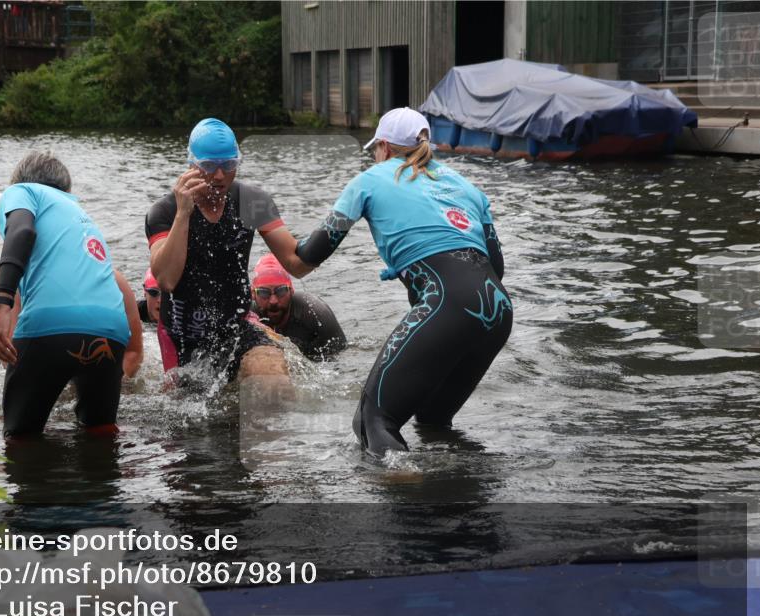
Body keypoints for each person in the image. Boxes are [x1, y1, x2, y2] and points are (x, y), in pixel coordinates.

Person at [276, 107, 512, 456]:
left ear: (383, 147)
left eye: (375, 150)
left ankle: (404, 501)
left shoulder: (370, 180)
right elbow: (497, 266)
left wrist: (265, 223)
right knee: (432, 421)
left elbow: (309, 256)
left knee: (372, 421)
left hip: (449, 301)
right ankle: (461, 501)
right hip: (499, 310)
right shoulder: (467, 187)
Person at [0, 150, 143, 438]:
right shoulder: (79, 214)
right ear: (67, 189)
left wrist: (2, 303)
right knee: (100, 432)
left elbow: (21, 232)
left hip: (51, 325)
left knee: (19, 438)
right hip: (111, 329)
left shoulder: (22, 191)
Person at [146, 118, 310, 384]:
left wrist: (337, 226)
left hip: (235, 327)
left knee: (273, 380)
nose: (220, 175)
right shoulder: (165, 211)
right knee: (183, 414)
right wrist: (184, 214)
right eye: (209, 166)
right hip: (182, 335)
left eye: (229, 165)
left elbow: (296, 262)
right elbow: (166, 279)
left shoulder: (251, 202)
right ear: (191, 165)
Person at [250, 253, 346, 361]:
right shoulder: (246, 317)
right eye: (264, 293)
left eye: (281, 291)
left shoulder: (314, 312)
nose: (273, 301)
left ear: (291, 290)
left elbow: (341, 355)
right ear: (253, 294)